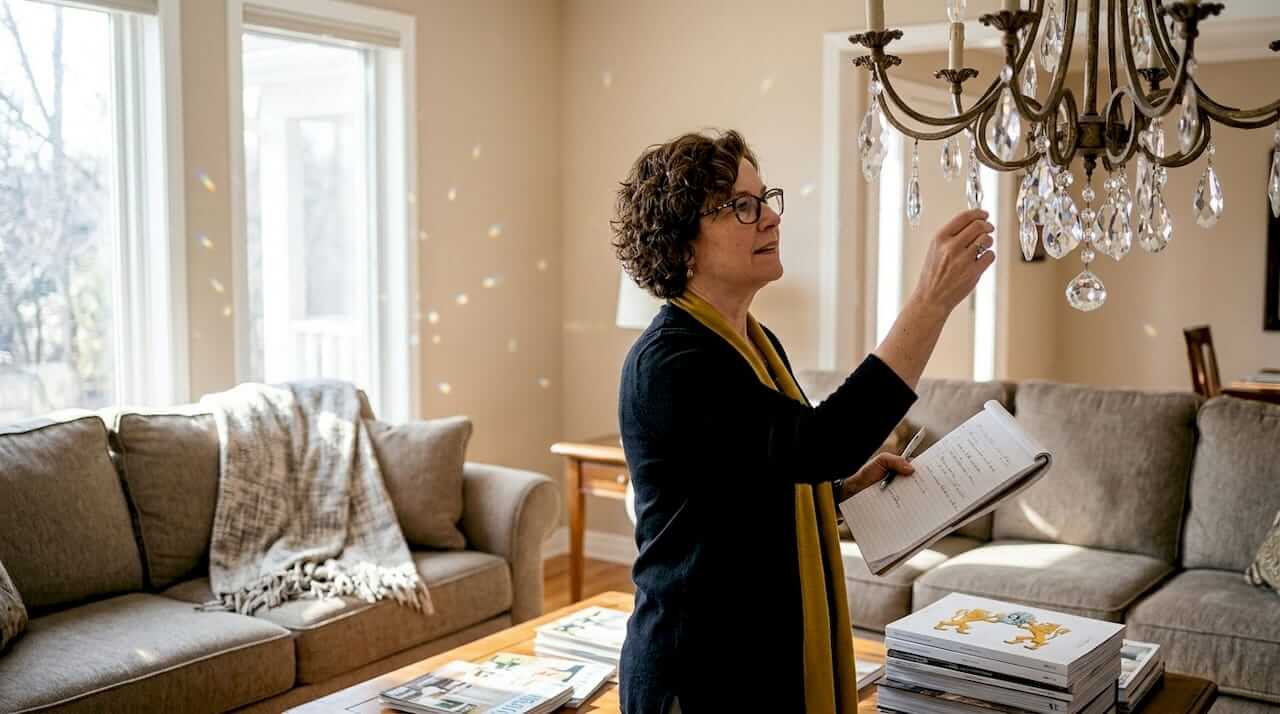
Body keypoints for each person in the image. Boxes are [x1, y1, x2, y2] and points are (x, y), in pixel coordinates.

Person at [611, 129, 995, 713]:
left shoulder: (759, 346)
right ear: (681, 243)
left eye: (766, 199)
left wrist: (837, 494)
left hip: (757, 661)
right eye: (741, 205)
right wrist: (930, 302)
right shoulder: (671, 362)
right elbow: (819, 445)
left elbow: (757, 478)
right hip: (699, 674)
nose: (769, 217)